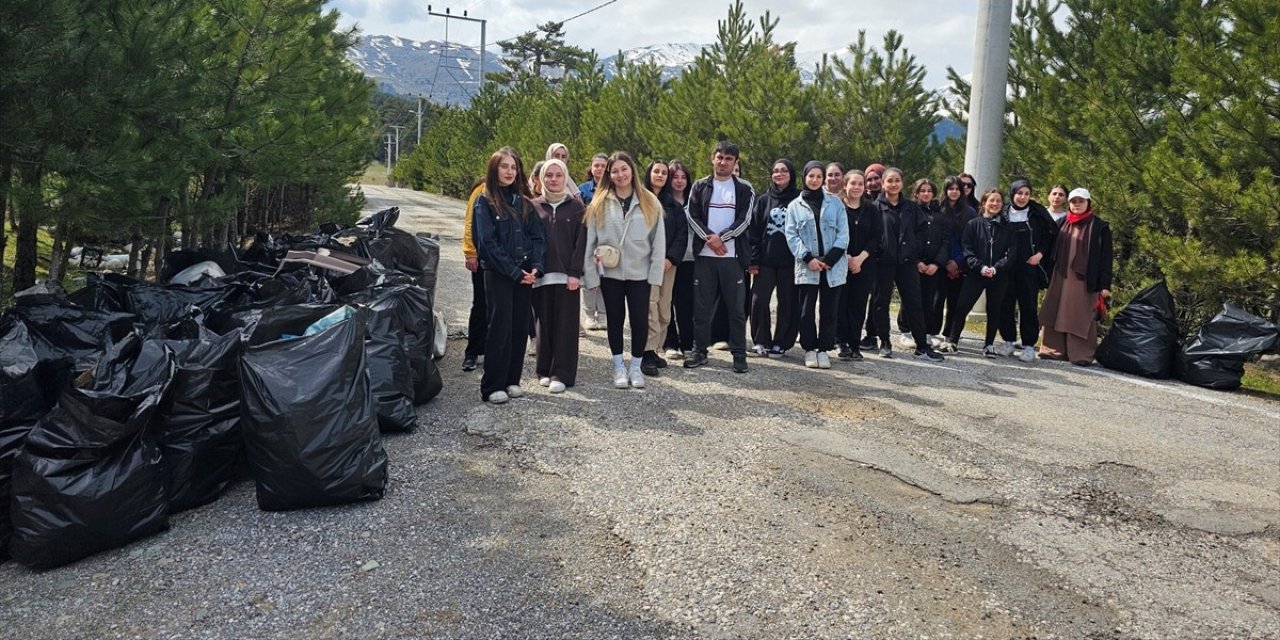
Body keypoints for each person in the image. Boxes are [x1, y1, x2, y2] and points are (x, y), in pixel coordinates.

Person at [582, 151, 666, 389]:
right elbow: (590, 241)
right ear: (609, 174)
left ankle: (636, 366)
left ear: (632, 170)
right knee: (615, 320)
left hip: (640, 275)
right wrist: (591, 275)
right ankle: (618, 365)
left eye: (624, 169)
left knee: (640, 321)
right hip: (611, 274)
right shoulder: (599, 202)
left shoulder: (650, 201)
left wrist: (655, 276)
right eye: (615, 171)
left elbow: (658, 242)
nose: (620, 175)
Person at [472, 147, 546, 404]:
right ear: (495, 169)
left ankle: (512, 380)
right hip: (500, 275)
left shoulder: (524, 202)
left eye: (513, 167)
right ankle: (493, 385)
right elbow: (487, 244)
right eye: (504, 167)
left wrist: (535, 267)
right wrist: (515, 273)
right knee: (499, 328)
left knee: (518, 328)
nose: (510, 172)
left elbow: (537, 237)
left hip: (524, 274)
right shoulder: (485, 201)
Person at [684, 141, 754, 373]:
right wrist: (709, 239)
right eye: (719, 157)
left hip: (732, 258)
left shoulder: (744, 188)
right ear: (712, 158)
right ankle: (700, 351)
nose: (723, 162)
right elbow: (692, 216)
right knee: (701, 308)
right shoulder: (699, 186)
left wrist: (721, 238)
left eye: (728, 159)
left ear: (735, 162)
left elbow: (745, 220)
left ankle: (739, 355)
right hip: (705, 257)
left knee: (736, 309)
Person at [869, 168, 946, 361]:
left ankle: (921, 345)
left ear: (902, 183)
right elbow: (871, 233)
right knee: (880, 303)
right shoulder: (875, 206)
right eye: (890, 181)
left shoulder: (911, 207)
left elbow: (922, 232)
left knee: (914, 303)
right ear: (883, 184)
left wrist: (913, 250)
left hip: (906, 262)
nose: (893, 184)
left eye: (897, 180)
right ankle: (885, 342)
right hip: (883, 263)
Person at [785, 161, 849, 369]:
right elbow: (791, 235)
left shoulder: (836, 203)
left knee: (830, 310)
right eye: (810, 176)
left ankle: (824, 349)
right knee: (806, 310)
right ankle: (809, 349)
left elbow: (843, 234)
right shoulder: (795, 205)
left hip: (833, 265)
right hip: (807, 265)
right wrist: (808, 258)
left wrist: (830, 260)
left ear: (823, 179)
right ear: (804, 177)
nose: (814, 180)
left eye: (818, 177)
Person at [1039, 188, 1113, 365]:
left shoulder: (1100, 227)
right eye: (1074, 201)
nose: (1077, 204)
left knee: (1080, 314)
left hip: (1085, 279)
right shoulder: (1063, 222)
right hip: (1060, 275)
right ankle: (1053, 350)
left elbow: (1106, 258)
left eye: (1081, 201)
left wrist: (1104, 284)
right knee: (1055, 310)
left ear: (1088, 203)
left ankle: (1080, 354)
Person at [531, 159, 586, 394]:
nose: (554, 179)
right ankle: (544, 369)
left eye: (558, 175)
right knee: (543, 325)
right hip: (541, 277)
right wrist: (532, 269)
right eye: (549, 175)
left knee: (566, 327)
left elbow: (581, 242)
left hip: (567, 278)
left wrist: (575, 272)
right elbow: (529, 240)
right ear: (542, 178)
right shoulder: (533, 206)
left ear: (565, 178)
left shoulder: (576, 207)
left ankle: (561, 373)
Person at [944, 189, 1013, 357]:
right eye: (991, 200)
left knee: (994, 310)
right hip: (976, 273)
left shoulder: (1008, 228)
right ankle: (953, 341)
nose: (995, 204)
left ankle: (989, 344)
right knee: (962, 307)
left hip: (998, 275)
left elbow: (1011, 253)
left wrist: (996, 267)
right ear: (984, 203)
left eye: (998, 201)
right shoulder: (973, 224)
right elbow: (967, 249)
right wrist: (980, 267)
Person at [998, 178, 1059, 363]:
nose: (1022, 197)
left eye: (1026, 194)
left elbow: (1050, 235)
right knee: (1005, 305)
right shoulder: (1003, 211)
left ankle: (1028, 346)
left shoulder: (1037, 213)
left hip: (1029, 267)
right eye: (1019, 193)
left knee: (1028, 307)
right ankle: (1008, 341)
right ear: (1012, 193)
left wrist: (1040, 254)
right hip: (1007, 267)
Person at [748, 159, 802, 358]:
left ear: (791, 174)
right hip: (766, 261)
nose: (779, 174)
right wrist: (753, 260)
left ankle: (781, 342)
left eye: (784, 171)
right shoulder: (763, 200)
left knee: (788, 301)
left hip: (791, 261)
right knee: (759, 300)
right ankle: (761, 340)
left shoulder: (799, 199)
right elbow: (753, 231)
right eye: (775, 171)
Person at [641, 159, 689, 376]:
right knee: (649, 307)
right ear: (649, 174)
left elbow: (681, 236)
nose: (659, 175)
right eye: (656, 171)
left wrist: (670, 259)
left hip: (668, 265)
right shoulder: (639, 201)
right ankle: (646, 351)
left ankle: (656, 348)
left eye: (663, 172)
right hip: (644, 265)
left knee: (663, 309)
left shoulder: (674, 207)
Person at [897, 177, 949, 350]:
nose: (926, 194)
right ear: (916, 193)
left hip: (933, 266)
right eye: (922, 191)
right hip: (913, 263)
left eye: (929, 191)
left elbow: (945, 241)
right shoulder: (909, 211)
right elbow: (906, 237)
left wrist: (936, 263)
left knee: (929, 300)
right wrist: (916, 261)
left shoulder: (940, 215)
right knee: (909, 298)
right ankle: (905, 332)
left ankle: (925, 333)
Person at [835, 170, 881, 361]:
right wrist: (844, 256)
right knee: (840, 303)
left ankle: (854, 344)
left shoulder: (871, 209)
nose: (856, 187)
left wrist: (859, 259)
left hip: (864, 264)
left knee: (858, 304)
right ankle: (841, 342)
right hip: (839, 261)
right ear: (845, 185)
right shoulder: (836, 207)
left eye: (860, 184)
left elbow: (876, 236)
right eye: (852, 183)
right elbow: (832, 232)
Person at [936, 176, 977, 352]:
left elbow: (970, 241)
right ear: (945, 190)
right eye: (950, 188)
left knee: (955, 302)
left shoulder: (970, 213)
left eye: (957, 189)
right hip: (939, 263)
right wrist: (944, 261)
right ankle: (931, 333)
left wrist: (958, 262)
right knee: (936, 301)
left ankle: (949, 336)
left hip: (961, 265)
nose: (954, 192)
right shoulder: (938, 209)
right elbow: (936, 239)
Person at [662, 161, 697, 359]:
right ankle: (670, 343)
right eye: (675, 177)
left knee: (686, 304)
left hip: (691, 259)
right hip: (669, 260)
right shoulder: (663, 202)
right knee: (666, 303)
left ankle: (688, 342)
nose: (679, 181)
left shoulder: (695, 200)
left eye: (683, 177)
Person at [579, 153, 610, 330]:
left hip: (607, 241)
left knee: (605, 277)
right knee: (589, 277)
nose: (599, 169)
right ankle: (589, 314)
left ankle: (604, 315)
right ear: (591, 167)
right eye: (596, 165)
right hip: (587, 239)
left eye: (603, 165)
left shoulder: (613, 189)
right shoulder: (582, 190)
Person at [461, 180, 487, 372]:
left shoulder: (516, 191)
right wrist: (471, 252)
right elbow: (470, 222)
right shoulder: (481, 190)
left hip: (507, 261)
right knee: (481, 304)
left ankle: (493, 351)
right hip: (483, 259)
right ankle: (472, 352)